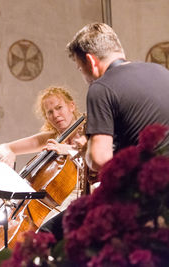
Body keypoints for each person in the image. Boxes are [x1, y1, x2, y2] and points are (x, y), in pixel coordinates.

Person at [66, 22, 169, 171]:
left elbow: (100, 159)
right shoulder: (161, 71)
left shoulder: (101, 88)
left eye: (80, 68)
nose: (83, 76)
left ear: (91, 61)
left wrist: (86, 150)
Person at [0, 86, 88, 240]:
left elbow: (92, 154)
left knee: (42, 234)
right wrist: (9, 154)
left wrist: (67, 149)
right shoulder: (52, 138)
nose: (56, 115)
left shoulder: (88, 133)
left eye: (59, 108)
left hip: (77, 202)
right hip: (52, 205)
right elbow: (3, 147)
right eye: (50, 112)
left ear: (71, 106)